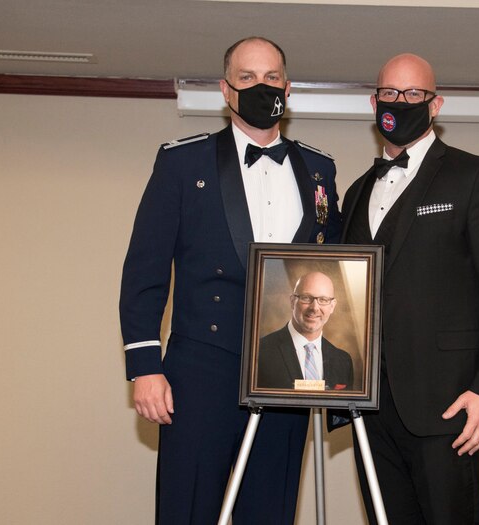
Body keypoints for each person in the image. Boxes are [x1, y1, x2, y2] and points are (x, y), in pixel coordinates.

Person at [119, 36, 341, 525]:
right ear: (226, 90)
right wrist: (143, 365)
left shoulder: (320, 169)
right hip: (200, 367)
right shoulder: (182, 162)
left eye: (271, 78)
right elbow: (145, 268)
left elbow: (335, 272)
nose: (261, 87)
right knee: (189, 507)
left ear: (288, 87)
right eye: (247, 78)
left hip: (286, 373)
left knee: (270, 508)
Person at [341, 53, 479, 524]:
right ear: (374, 100)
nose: (400, 103)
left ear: (436, 104)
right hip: (370, 409)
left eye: (414, 94)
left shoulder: (475, 176)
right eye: (390, 93)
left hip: (449, 407)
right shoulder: (357, 191)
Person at [257, 271, 354, 391]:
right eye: (306, 298)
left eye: (323, 300)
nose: (314, 308)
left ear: (332, 306)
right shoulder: (260, 351)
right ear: (293, 301)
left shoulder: (343, 361)